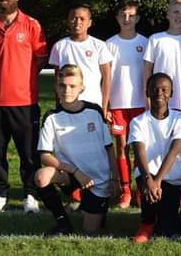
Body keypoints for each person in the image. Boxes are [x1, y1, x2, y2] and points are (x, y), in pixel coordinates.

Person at [0, 0, 48, 213]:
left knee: (28, 153)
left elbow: (40, 59)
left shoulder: (32, 25)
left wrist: (20, 80)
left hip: (25, 101)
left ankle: (31, 195)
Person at [35, 65, 119, 236]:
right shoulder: (51, 117)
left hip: (97, 179)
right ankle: (63, 224)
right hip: (71, 174)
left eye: (72, 86)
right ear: (56, 87)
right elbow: (44, 156)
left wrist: (115, 179)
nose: (67, 90)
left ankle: (95, 206)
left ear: (82, 88)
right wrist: (75, 171)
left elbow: (109, 148)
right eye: (62, 85)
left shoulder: (94, 111)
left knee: (90, 230)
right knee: (41, 176)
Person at [129, 73, 181, 243]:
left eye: (164, 90)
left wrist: (158, 180)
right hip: (147, 176)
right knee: (148, 193)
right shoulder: (137, 121)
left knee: (167, 230)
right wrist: (149, 180)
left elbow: (174, 151)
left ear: (171, 94)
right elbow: (139, 152)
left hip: (172, 177)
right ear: (147, 92)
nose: (159, 93)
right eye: (154, 89)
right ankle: (147, 223)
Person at [106, 1, 148, 209]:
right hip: (118, 104)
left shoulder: (146, 42)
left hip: (140, 104)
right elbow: (105, 77)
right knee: (122, 147)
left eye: (131, 15)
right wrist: (106, 105)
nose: (127, 19)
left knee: (140, 148)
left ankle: (141, 190)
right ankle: (125, 191)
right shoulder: (109, 44)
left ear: (137, 18)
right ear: (117, 18)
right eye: (123, 15)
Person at [48, 3, 113, 116]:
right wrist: (58, 104)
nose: (78, 22)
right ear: (68, 21)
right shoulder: (59, 46)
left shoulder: (99, 45)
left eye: (82, 19)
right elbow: (57, 79)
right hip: (68, 103)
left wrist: (104, 106)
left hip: (93, 102)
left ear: (89, 22)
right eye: (74, 18)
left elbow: (107, 78)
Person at [143, 0, 181, 114]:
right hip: (158, 98)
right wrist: (147, 97)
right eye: (176, 12)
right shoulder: (155, 39)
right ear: (168, 14)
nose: (179, 16)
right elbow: (147, 69)